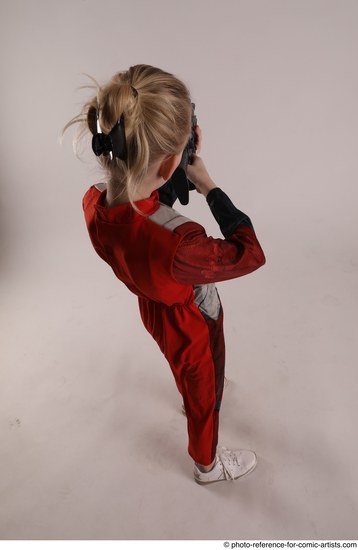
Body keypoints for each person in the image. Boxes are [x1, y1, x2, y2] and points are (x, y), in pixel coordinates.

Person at [64, 64, 266, 484]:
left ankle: (205, 388)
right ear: (172, 160)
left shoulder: (93, 205)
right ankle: (207, 465)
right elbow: (249, 253)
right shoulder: (181, 243)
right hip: (187, 314)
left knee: (189, 370)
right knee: (201, 389)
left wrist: (173, 165)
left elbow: (145, 200)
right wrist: (208, 185)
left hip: (152, 305)